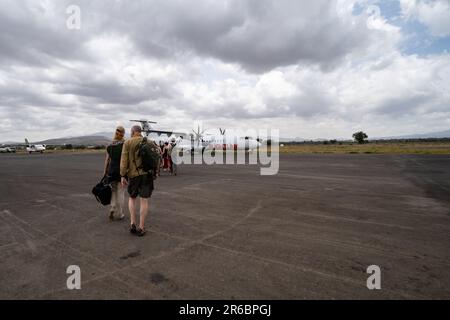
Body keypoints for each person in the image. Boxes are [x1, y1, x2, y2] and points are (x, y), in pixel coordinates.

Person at [120, 125, 158, 236]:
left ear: (132, 132)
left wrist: (122, 175)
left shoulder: (127, 143)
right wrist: (155, 172)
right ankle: (141, 227)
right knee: (144, 200)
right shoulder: (150, 142)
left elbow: (123, 161)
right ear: (140, 132)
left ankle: (132, 223)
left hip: (133, 175)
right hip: (147, 175)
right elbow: (156, 158)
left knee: (132, 198)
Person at [103, 126, 126, 221]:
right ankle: (120, 213)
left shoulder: (110, 145)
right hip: (121, 171)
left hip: (111, 171)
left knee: (113, 191)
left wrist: (105, 172)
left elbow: (107, 160)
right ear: (123, 133)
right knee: (121, 192)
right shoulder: (124, 144)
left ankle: (112, 208)